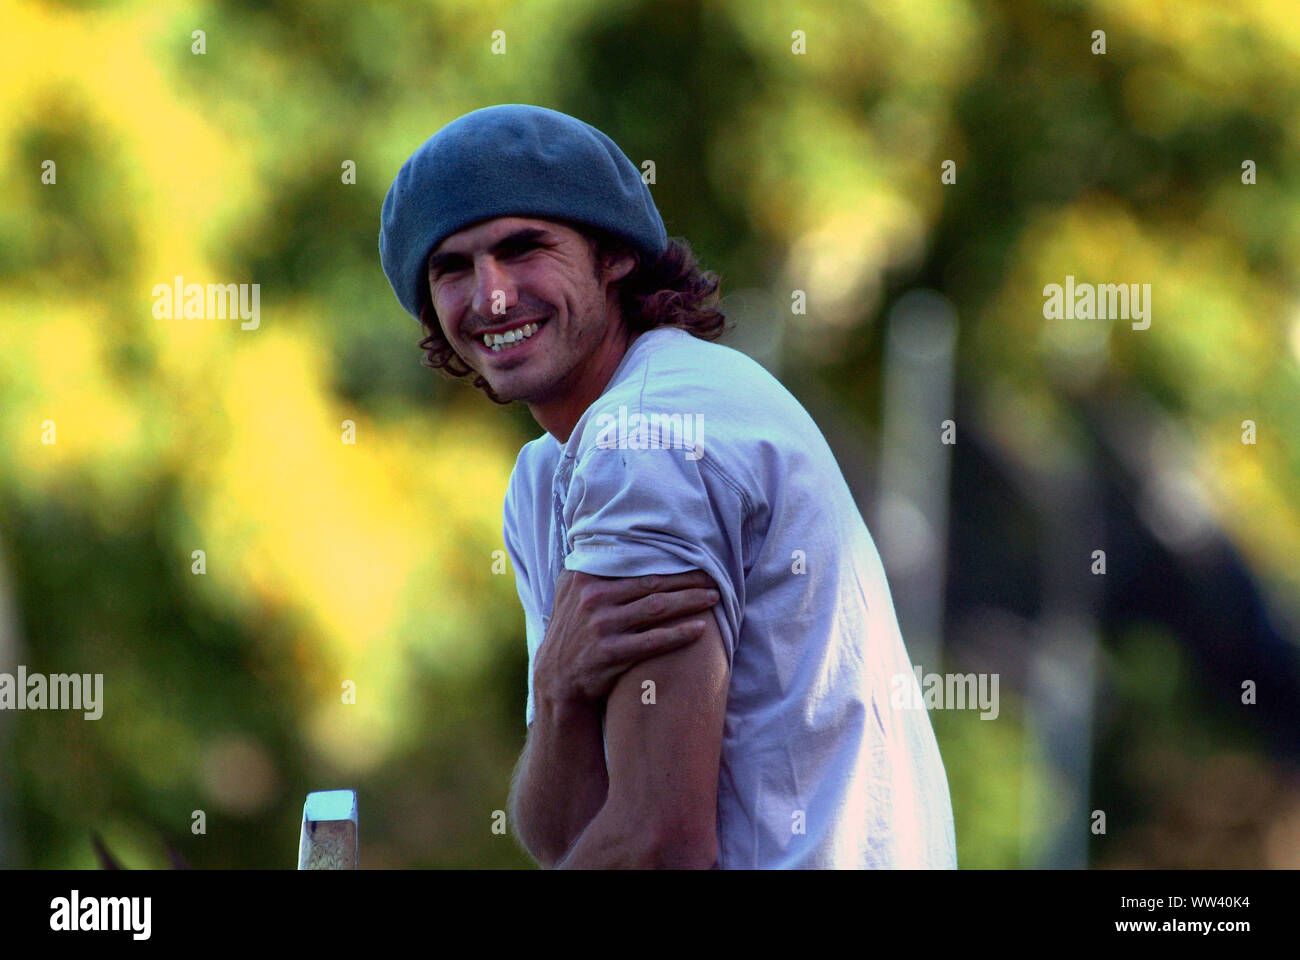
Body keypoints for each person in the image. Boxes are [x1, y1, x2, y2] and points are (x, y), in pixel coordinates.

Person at [379, 104, 957, 869]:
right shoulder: (551, 474)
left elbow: (659, 845)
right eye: (452, 267)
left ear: (615, 256)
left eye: (524, 249)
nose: (491, 295)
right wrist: (557, 692)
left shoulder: (647, 440)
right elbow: (568, 837)